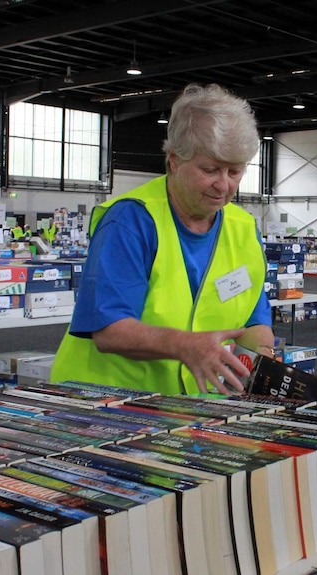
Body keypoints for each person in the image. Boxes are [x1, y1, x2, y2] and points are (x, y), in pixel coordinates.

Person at [52, 83, 274, 396]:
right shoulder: (130, 220)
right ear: (173, 160)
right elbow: (109, 330)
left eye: (235, 172)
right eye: (210, 169)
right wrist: (186, 346)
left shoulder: (243, 227)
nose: (223, 185)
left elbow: (253, 321)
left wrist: (265, 364)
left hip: (190, 410)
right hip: (106, 403)